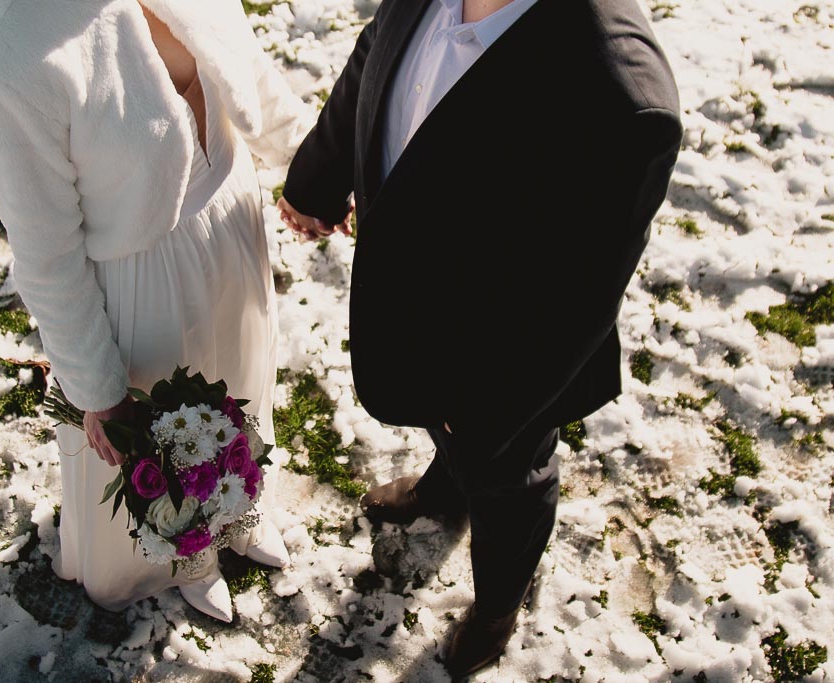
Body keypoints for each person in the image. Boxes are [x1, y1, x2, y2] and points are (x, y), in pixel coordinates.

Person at [277, 0, 683, 676]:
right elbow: (378, 51)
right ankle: (444, 487)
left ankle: (497, 603)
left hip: (504, 359)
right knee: (450, 438)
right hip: (415, 305)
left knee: (507, 474)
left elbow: (570, 310)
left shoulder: (619, 98)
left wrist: (483, 414)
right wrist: (318, 179)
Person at [0, 0, 317, 623]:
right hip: (144, 279)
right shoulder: (6, 59)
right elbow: (47, 256)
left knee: (242, 388)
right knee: (166, 444)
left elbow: (243, 63)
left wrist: (316, 167)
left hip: (233, 223)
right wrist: (96, 386)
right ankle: (182, 557)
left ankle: (239, 509)